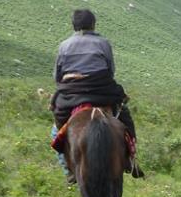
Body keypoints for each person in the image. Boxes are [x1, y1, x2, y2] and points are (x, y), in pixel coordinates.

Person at [51, 9, 142, 178]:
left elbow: (57, 76)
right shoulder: (103, 43)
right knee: (125, 118)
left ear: (74, 25)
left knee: (57, 131)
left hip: (71, 94)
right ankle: (131, 160)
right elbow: (110, 70)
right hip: (102, 90)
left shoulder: (64, 45)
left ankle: (68, 171)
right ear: (93, 24)